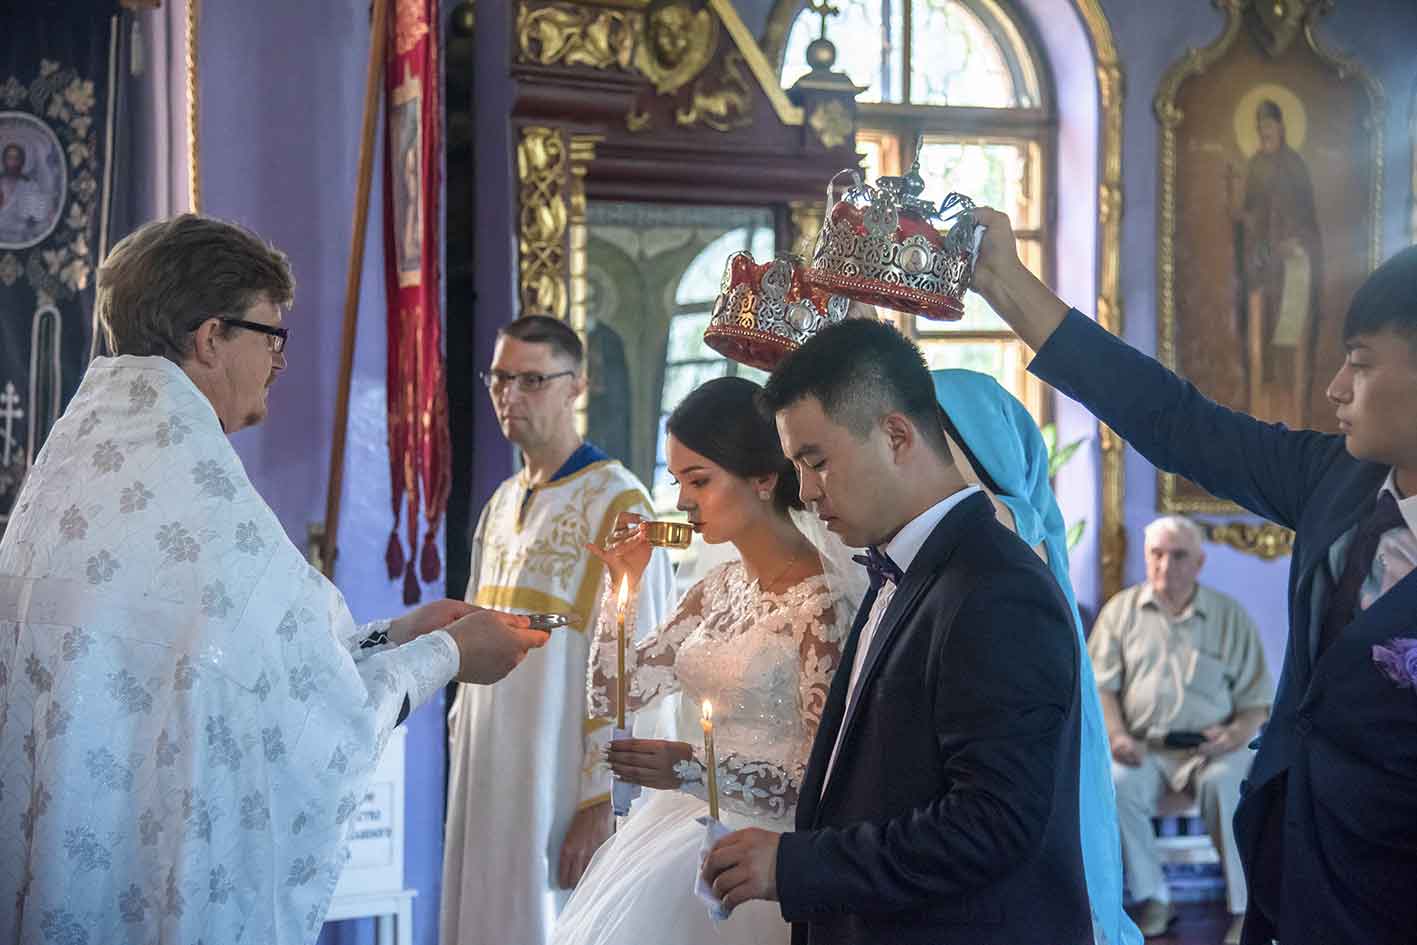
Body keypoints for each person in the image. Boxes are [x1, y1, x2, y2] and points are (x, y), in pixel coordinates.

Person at [0, 214, 548, 944]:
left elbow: (249, 658)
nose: (279, 360)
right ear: (210, 338)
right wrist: (447, 655)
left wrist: (397, 634)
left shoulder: (80, 456)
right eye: (270, 334)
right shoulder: (189, 483)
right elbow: (319, 715)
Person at [969, 207, 1417, 945]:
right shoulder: (1334, 481)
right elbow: (1175, 420)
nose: (1336, 388)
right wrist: (1006, 284)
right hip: (1293, 869)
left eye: (1362, 363)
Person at [703, 319, 1092, 944]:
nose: (805, 492)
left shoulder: (997, 589)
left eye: (816, 462)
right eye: (797, 466)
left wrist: (795, 867)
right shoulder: (905, 569)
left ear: (895, 435)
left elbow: (992, 824)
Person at [552, 375, 863, 945]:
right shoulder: (716, 588)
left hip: (764, 848)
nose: (681, 502)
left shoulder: (821, 604)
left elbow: (823, 783)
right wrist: (622, 589)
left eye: (699, 480)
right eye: (677, 481)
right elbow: (614, 693)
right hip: (682, 822)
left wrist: (692, 769)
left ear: (763, 478)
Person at [441, 315, 675, 945]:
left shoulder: (619, 505)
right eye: (500, 379)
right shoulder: (501, 503)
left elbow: (637, 663)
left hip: (560, 785)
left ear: (577, 386)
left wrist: (603, 798)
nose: (510, 396)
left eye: (532, 380)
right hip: (487, 774)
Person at [1090, 515, 1273, 942]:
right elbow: (1101, 688)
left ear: (1199, 562)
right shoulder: (1120, 613)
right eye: (1156, 554)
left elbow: (1256, 703)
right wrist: (1117, 736)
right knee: (1115, 783)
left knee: (1226, 784)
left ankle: (1244, 910)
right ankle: (1155, 899)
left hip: (1213, 750)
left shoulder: (1229, 617)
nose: (1165, 565)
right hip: (1144, 748)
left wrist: (1233, 736)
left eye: (1178, 556)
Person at [1225, 99, 1323, 428]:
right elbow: (1252, 215)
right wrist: (1241, 215)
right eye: (1260, 126)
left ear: (1281, 127)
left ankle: (1293, 410)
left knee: (1291, 340)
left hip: (1294, 268)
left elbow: (1305, 217)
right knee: (1261, 336)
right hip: (1264, 267)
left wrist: (1292, 239)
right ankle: (1262, 408)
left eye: (1268, 125)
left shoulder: (1295, 166)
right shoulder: (1255, 165)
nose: (1264, 131)